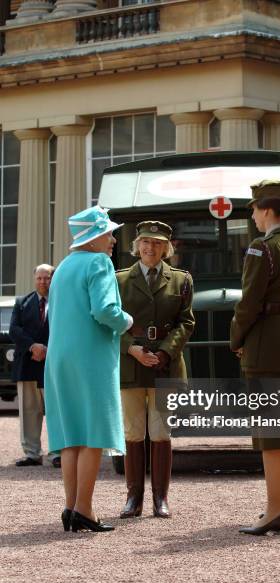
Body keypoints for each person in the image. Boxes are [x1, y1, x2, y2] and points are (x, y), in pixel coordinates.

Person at [230, 180, 280, 536]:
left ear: (266, 209)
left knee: (271, 432)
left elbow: (249, 303)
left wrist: (236, 337)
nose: (252, 215)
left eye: (253, 208)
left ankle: (273, 510)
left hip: (267, 342)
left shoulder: (261, 248)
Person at [45, 206, 133, 533]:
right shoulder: (99, 262)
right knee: (94, 433)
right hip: (90, 356)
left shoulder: (64, 266)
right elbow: (105, 310)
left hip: (60, 358)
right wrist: (128, 321)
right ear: (94, 237)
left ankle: (71, 508)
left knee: (71, 436)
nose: (113, 239)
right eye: (109, 233)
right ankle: (84, 509)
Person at [117, 221, 194, 519]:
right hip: (131, 366)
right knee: (134, 432)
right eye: (146, 242)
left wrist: (164, 351)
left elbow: (186, 322)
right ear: (137, 245)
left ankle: (160, 499)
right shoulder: (118, 280)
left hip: (166, 366)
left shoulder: (181, 279)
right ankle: (133, 498)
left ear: (167, 247)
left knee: (161, 432)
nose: (151, 248)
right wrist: (132, 349)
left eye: (158, 243)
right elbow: (109, 323)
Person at [10, 264, 61, 468]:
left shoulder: (61, 302)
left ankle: (57, 452)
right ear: (34, 279)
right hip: (28, 365)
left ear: (53, 279)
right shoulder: (22, 302)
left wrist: (48, 348)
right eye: (39, 278)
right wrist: (33, 346)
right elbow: (14, 329)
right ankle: (32, 453)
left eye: (47, 278)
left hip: (53, 365)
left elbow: (65, 328)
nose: (43, 282)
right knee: (29, 411)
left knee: (56, 411)